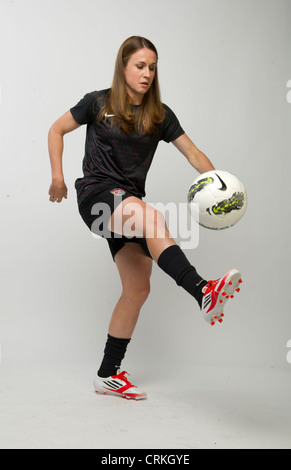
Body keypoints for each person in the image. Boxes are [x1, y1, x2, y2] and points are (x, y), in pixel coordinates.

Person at [48, 36, 242, 401]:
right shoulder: (97, 102)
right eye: (140, 66)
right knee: (153, 218)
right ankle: (204, 291)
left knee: (138, 289)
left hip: (127, 205)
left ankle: (107, 374)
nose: (147, 74)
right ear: (123, 67)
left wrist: (220, 185)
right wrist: (57, 176)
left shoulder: (160, 115)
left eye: (152, 67)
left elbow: (193, 153)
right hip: (97, 196)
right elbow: (56, 129)